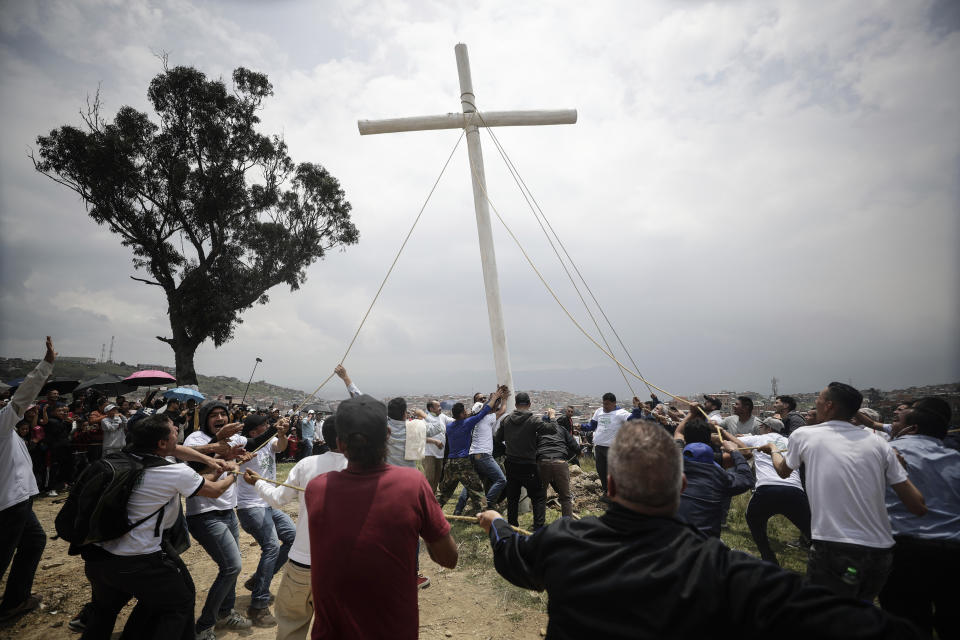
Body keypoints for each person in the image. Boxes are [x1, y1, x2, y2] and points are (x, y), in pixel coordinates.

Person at [477, 420, 922, 640]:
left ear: (610, 485)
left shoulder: (562, 542)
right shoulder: (727, 572)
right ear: (682, 485)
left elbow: (514, 558)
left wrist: (497, 523)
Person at [304, 394, 457, 639]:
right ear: (386, 434)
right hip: (394, 630)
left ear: (340, 444)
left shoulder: (316, 488)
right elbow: (449, 558)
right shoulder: (412, 484)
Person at [762, 381, 927, 601]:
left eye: (818, 399)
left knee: (823, 617)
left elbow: (783, 471)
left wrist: (772, 449)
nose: (816, 403)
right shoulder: (880, 444)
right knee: (859, 617)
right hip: (881, 553)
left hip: (836, 548)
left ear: (829, 405)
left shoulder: (804, 435)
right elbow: (917, 506)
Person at [79, 413, 236, 640]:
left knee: (105, 611)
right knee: (179, 603)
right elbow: (215, 491)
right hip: (139, 558)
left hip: (99, 556)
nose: (177, 433)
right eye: (173, 431)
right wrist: (234, 473)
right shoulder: (172, 471)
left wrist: (211, 463)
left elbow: (179, 452)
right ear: (162, 443)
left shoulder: (122, 457)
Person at [243, 418, 348, 640]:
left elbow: (278, 499)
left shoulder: (306, 464)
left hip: (302, 562)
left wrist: (258, 483)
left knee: (290, 628)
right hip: (340, 566)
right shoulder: (362, 469)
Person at [878, 398, 959, 637]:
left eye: (896, 420)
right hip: (954, 552)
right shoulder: (954, 458)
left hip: (905, 551)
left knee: (907, 625)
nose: (891, 424)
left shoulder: (887, 454)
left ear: (911, 428)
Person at [184, 401, 254, 639]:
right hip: (204, 514)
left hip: (227, 512)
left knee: (230, 569)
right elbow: (194, 471)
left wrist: (238, 457)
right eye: (213, 415)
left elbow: (253, 441)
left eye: (223, 414)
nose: (220, 418)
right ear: (205, 419)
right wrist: (218, 447)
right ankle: (204, 626)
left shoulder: (233, 439)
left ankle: (226, 612)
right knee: (232, 566)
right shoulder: (195, 439)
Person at [0, 337, 55, 623]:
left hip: (17, 498)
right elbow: (22, 397)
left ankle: (16, 600)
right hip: (9, 501)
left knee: (34, 541)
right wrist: (46, 365)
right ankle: (12, 603)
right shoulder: (0, 421)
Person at [236, 414, 295, 627]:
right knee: (271, 547)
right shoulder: (243, 444)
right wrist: (275, 430)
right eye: (265, 426)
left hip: (267, 504)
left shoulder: (268, 440)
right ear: (253, 431)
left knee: (293, 538)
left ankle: (258, 580)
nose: (268, 427)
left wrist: (281, 433)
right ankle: (258, 605)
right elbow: (253, 446)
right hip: (250, 507)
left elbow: (280, 446)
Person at [730, 417, 811, 565]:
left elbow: (738, 444)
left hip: (767, 488)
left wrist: (722, 431)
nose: (759, 428)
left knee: (753, 521)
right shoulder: (790, 442)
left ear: (768, 428)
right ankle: (826, 559)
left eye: (761, 426)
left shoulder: (761, 438)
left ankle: (768, 557)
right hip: (794, 490)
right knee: (810, 530)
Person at [674, 413, 753, 537]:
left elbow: (678, 432)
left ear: (685, 439)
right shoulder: (719, 473)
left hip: (672, 535)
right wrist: (730, 444)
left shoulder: (674, 459)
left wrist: (691, 412)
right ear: (709, 438)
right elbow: (747, 454)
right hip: (706, 540)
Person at [436, 390, 506, 516]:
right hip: (463, 463)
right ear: (462, 414)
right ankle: (485, 514)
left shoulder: (450, 426)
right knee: (477, 491)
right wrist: (495, 397)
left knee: (444, 493)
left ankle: (431, 513)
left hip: (450, 463)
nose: (467, 412)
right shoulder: (467, 423)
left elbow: (467, 417)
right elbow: (484, 412)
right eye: (465, 411)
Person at [494, 392, 556, 531]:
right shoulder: (534, 420)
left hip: (511, 463)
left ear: (515, 405)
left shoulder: (507, 420)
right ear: (529, 405)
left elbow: (498, 438)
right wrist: (552, 417)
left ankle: (512, 526)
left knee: (512, 497)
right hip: (529, 464)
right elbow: (552, 430)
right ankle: (538, 528)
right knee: (538, 497)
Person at [579, 392, 630, 492]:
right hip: (599, 447)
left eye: (607, 404)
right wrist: (581, 426)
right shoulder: (599, 411)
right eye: (603, 404)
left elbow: (635, 420)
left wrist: (638, 409)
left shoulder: (622, 413)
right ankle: (606, 491)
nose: (605, 406)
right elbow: (592, 426)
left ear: (614, 403)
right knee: (601, 470)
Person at [536, 408, 580, 518]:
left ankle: (538, 526)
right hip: (560, 462)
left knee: (540, 497)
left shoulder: (539, 431)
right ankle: (567, 524)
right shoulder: (562, 429)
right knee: (565, 497)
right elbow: (574, 445)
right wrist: (579, 452)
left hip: (543, 462)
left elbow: (532, 447)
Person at [422, 401, 451, 492]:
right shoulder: (425, 419)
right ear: (431, 409)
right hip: (429, 454)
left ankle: (431, 500)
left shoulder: (443, 417)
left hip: (440, 454)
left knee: (436, 479)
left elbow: (454, 421)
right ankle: (424, 499)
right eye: (438, 406)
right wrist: (434, 441)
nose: (440, 408)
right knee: (429, 478)